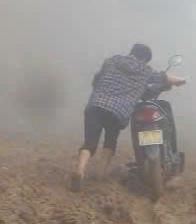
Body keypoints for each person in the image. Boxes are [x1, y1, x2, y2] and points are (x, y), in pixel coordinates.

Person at [71, 43, 186, 192]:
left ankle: (80, 170)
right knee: (110, 142)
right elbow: (164, 78)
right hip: (117, 111)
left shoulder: (112, 60)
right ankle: (99, 174)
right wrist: (181, 80)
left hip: (96, 105)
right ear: (145, 59)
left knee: (89, 143)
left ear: (132, 52)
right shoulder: (145, 70)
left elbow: (96, 80)